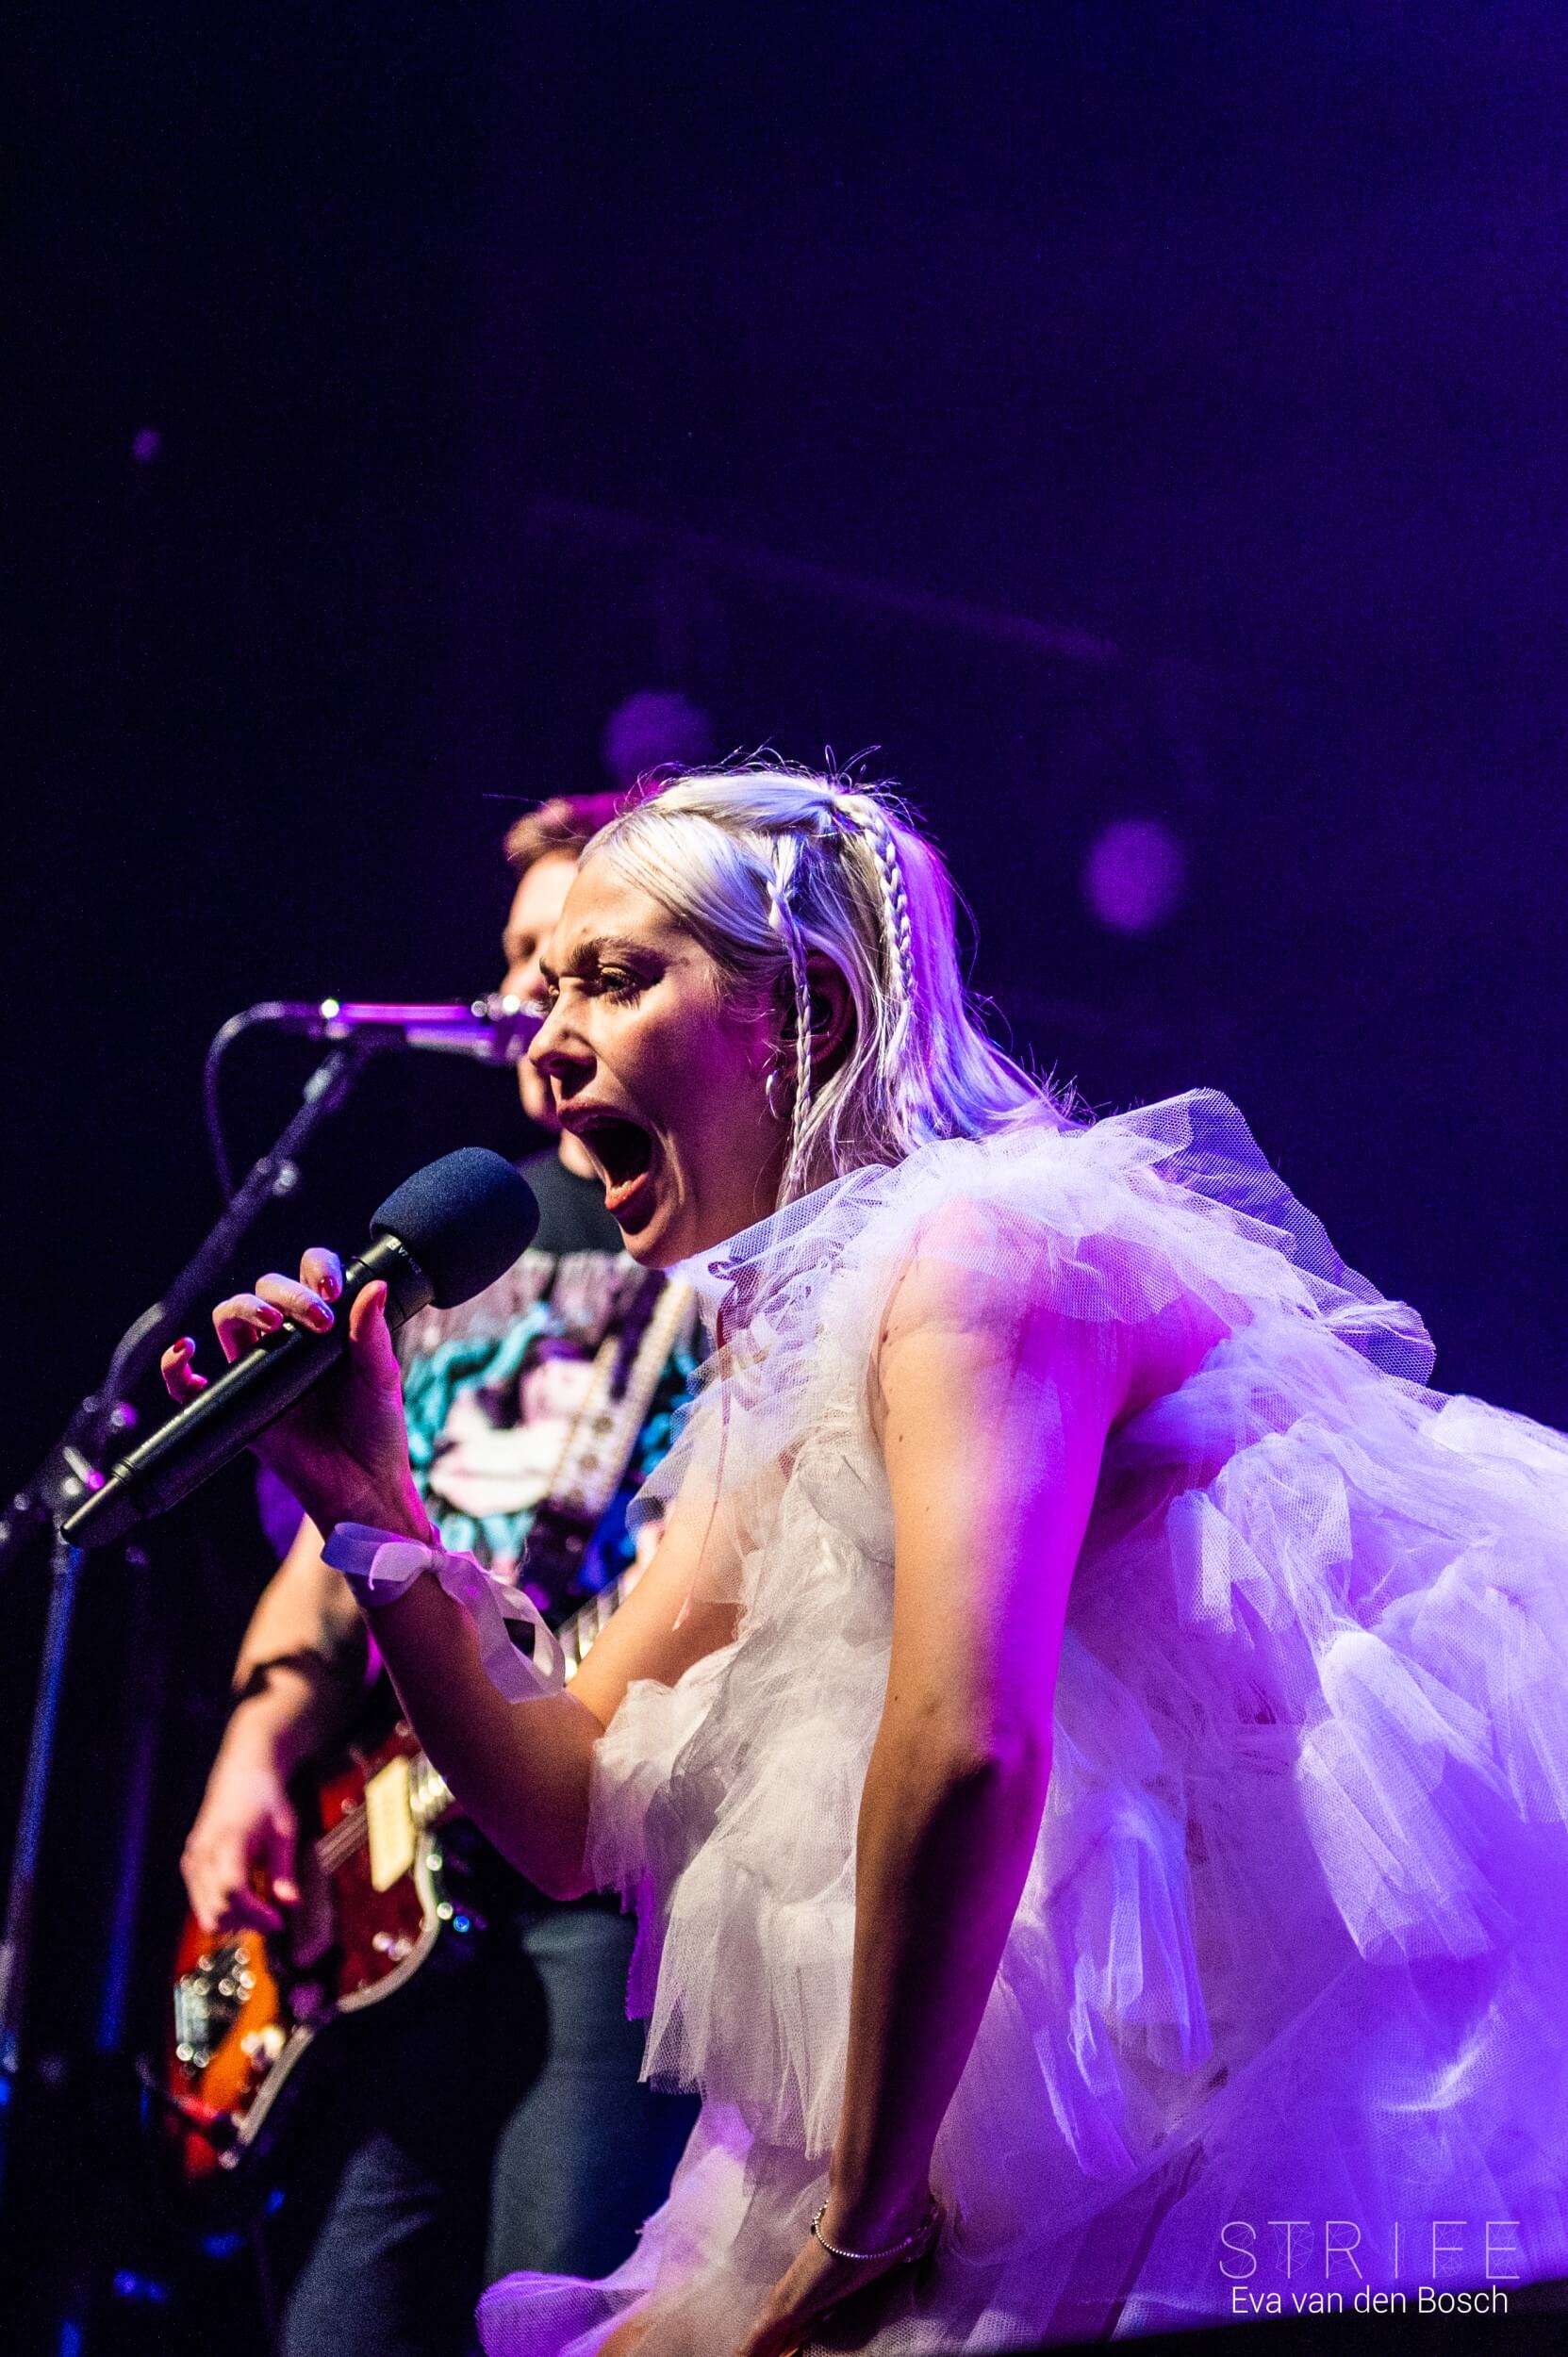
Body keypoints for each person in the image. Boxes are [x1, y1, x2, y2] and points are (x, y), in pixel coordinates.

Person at [167, 764, 1568, 2352]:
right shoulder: (778, 1360)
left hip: (1233, 2036)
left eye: (614, 981)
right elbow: (562, 1808)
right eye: (546, 990)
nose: (546, 1049)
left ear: (811, 1012)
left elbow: (967, 1741)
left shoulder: (984, 1252)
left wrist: (866, 2214)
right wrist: (376, 1520)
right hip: (1016, 2067)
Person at [176, 791, 700, 2357]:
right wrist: (252, 1754)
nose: (533, 1003)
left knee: (564, 2301)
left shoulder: (712, 1222)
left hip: (613, 1859)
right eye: (519, 965)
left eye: (585, 963)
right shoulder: (458, 1238)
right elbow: (343, 1551)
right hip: (401, 1867)